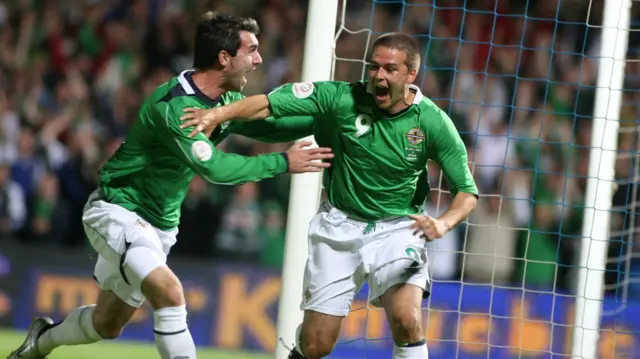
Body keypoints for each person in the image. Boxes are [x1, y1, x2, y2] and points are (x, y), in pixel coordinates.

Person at [8, 12, 330, 359]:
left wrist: (329, 120)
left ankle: (41, 341)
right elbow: (215, 168)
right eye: (251, 50)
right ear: (224, 58)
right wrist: (282, 162)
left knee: (107, 324)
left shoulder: (220, 101)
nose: (259, 59)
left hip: (159, 226)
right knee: (171, 292)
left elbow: (269, 128)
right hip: (119, 210)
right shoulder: (176, 106)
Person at [179, 32, 479, 359]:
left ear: (411, 75)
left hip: (398, 227)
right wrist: (216, 115)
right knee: (316, 345)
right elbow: (268, 103)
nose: (378, 75)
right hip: (339, 227)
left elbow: (467, 191)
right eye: (373, 67)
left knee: (406, 319)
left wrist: (445, 223)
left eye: (390, 69)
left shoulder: (433, 123)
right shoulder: (339, 98)